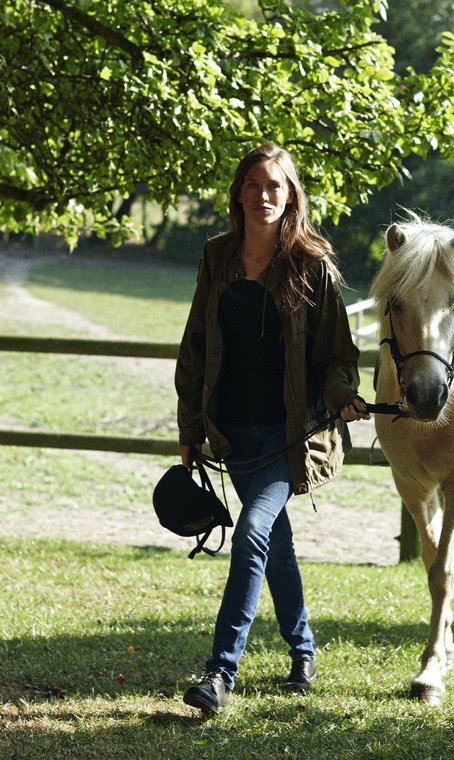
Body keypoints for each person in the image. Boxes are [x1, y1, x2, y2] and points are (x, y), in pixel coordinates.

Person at [175, 142, 369, 715]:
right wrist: (191, 427)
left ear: (291, 197)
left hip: (291, 436)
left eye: (275, 186)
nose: (264, 195)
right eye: (254, 184)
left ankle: (219, 673)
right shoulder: (217, 257)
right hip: (232, 431)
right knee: (275, 543)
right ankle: (303, 650)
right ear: (239, 193)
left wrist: (342, 398)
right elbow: (196, 345)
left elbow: (336, 357)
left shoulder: (313, 264)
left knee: (254, 533)